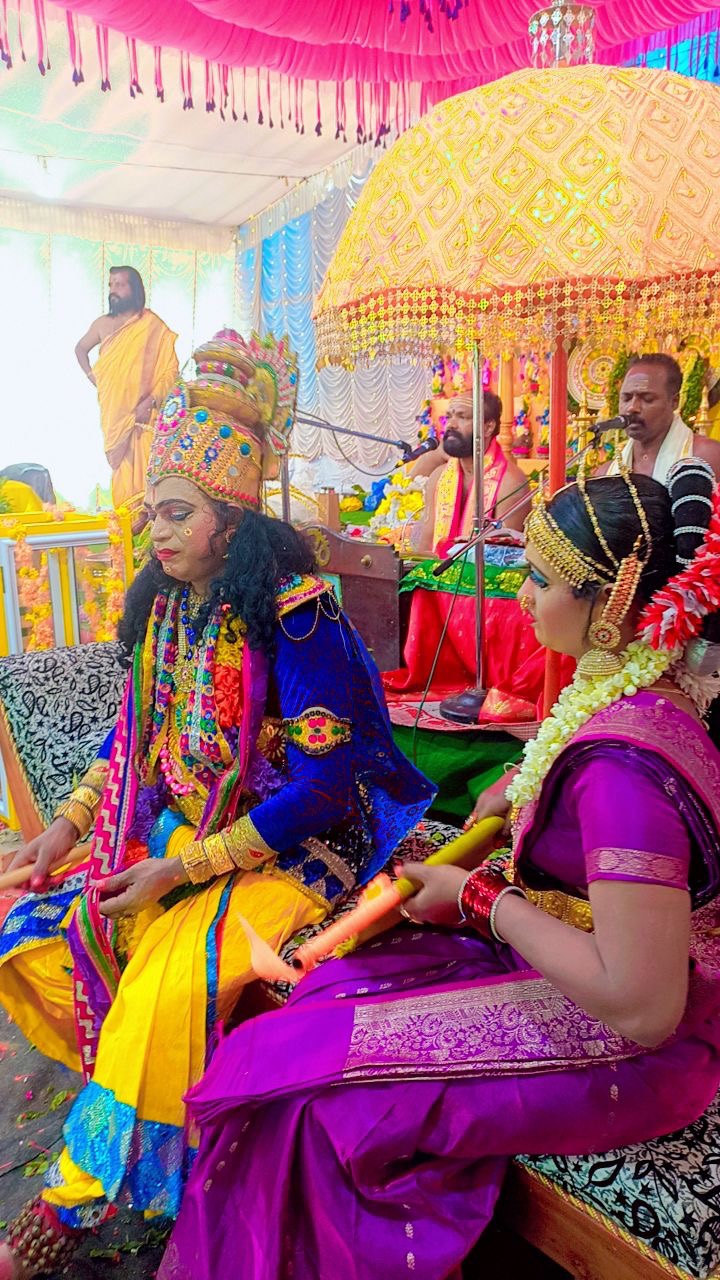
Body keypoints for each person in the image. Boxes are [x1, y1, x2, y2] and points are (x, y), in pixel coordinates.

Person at [159, 465, 720, 1280]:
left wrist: (481, 897)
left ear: (617, 600)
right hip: (576, 957)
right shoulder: (632, 692)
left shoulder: (621, 769)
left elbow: (643, 1007)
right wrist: (521, 794)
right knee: (319, 1000)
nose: (521, 595)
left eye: (541, 577)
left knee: (307, 1095)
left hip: (632, 1044)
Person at [0, 330, 433, 1278]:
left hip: (294, 848)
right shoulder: (166, 606)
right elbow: (133, 742)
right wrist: (67, 830)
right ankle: (159, 1112)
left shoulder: (297, 614)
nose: (152, 531)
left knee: (164, 989)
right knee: (28, 934)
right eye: (151, 511)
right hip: (177, 835)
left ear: (230, 521)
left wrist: (183, 867)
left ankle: (74, 1202)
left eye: (174, 513)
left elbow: (323, 790)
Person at [75, 267, 179, 509]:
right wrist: (96, 379)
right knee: (122, 478)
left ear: (135, 289)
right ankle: (125, 536)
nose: (114, 290)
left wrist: (152, 399)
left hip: (145, 419)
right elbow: (80, 349)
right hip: (115, 415)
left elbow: (170, 370)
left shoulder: (153, 325)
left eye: (120, 284)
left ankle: (148, 539)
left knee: (147, 484)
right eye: (111, 284)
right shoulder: (102, 324)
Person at [415, 391, 531, 554]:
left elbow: (504, 559)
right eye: (449, 417)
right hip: (435, 574)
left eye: (462, 417)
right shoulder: (439, 477)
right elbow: (425, 547)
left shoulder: (511, 483)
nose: (450, 425)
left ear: (488, 427)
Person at [605, 353, 720, 483]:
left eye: (647, 399)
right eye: (626, 398)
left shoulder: (710, 457)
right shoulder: (606, 473)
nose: (632, 407)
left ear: (674, 402)